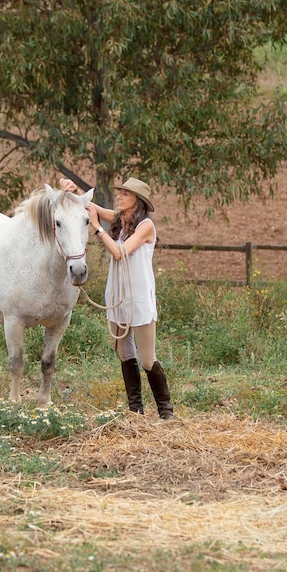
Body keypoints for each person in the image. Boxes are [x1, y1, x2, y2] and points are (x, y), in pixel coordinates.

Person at [60, 177, 174, 420]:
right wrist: (75, 190)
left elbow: (120, 252)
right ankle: (136, 411)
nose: (119, 197)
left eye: (125, 194)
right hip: (118, 296)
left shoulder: (145, 226)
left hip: (139, 298)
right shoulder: (121, 220)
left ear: (137, 200)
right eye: (119, 193)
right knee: (124, 354)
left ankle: (166, 411)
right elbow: (91, 208)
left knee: (147, 358)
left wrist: (98, 229)